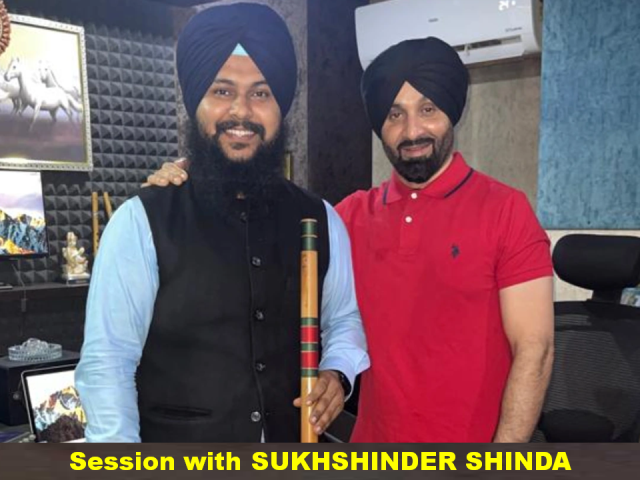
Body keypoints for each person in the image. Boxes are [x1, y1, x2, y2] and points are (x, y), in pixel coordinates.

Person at [145, 37, 554, 443]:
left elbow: (535, 351)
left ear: (451, 112)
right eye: (394, 114)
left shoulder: (506, 210)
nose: (412, 130)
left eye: (427, 109)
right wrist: (194, 179)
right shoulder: (347, 218)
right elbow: (257, 229)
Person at [75, 3, 369, 443]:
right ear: (196, 102)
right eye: (222, 91)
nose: (241, 111)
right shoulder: (139, 223)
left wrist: (337, 371)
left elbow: (344, 320)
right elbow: (108, 367)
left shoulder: (321, 219)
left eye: (261, 93)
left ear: (282, 106)